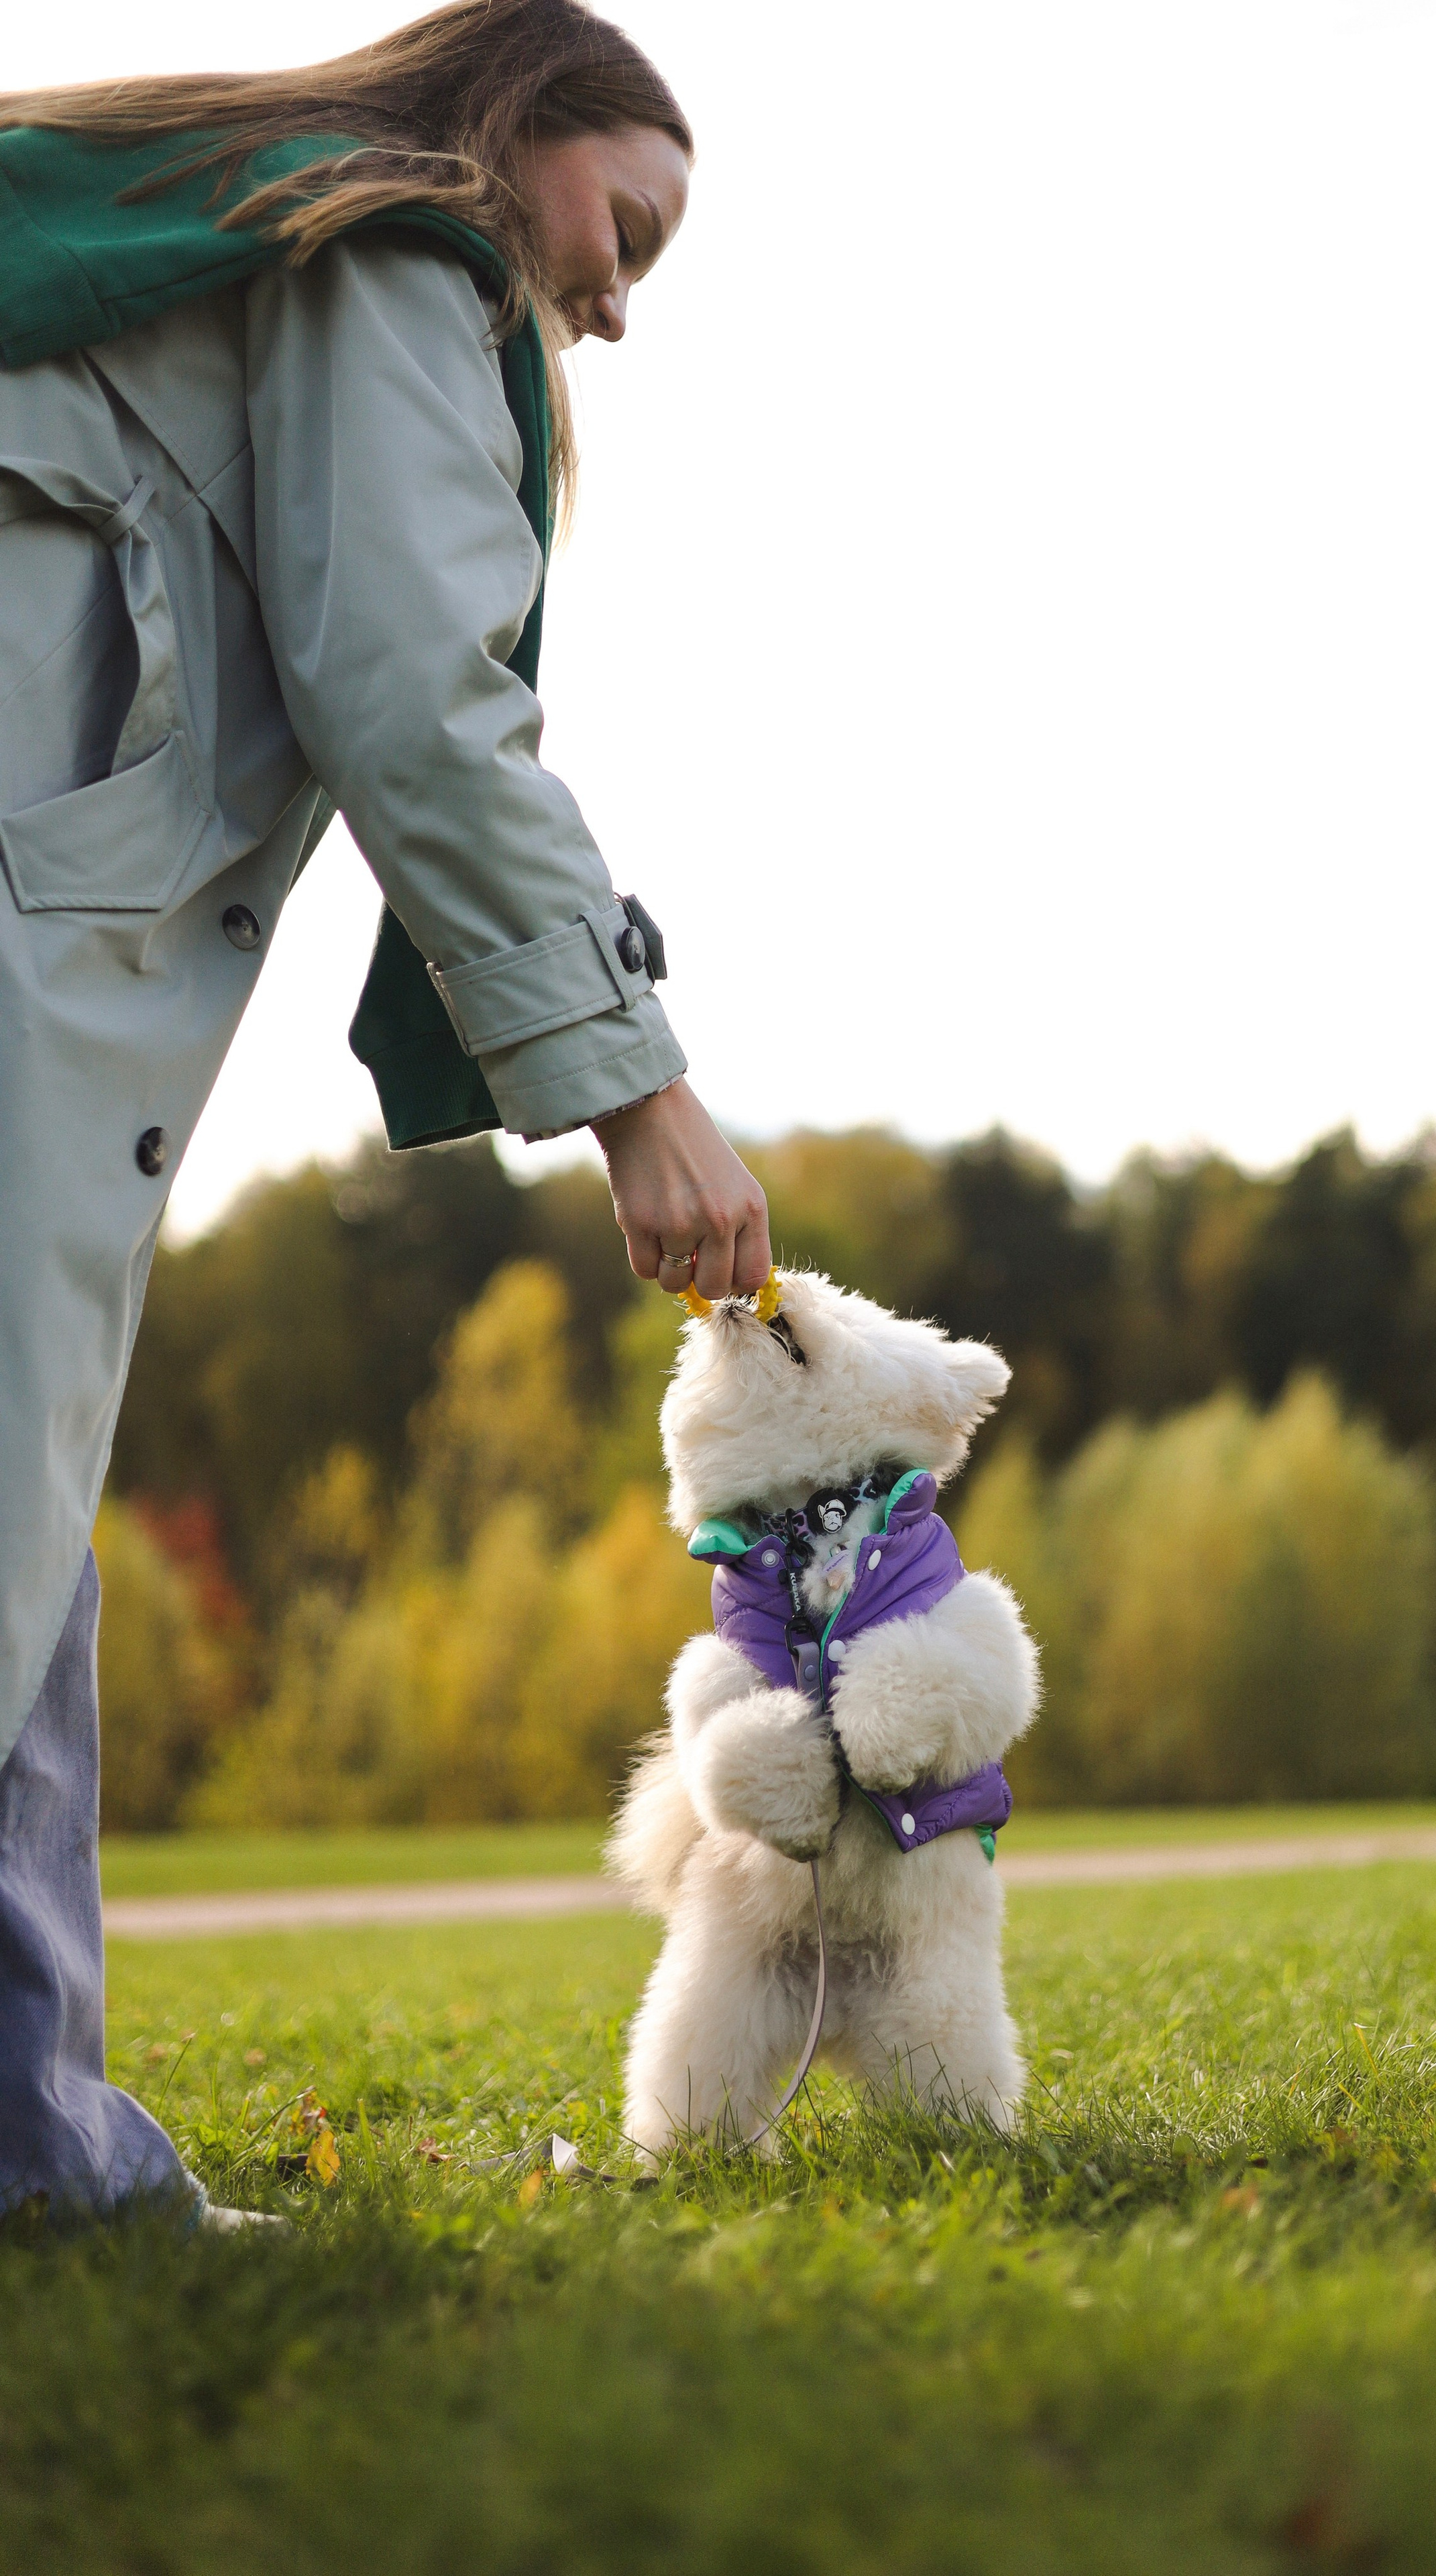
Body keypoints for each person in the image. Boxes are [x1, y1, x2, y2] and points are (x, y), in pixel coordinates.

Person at [0, 0, 769, 2223]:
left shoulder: (219, 238)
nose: (613, 303)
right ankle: (47, 2172)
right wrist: (640, 1095)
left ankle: (44, 2163)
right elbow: (423, 706)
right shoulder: (397, 247)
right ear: (515, 125)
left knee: (28, 1520)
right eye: (622, 226)